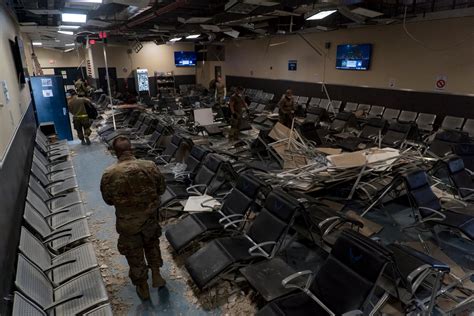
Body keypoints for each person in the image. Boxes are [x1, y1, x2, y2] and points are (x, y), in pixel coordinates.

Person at [100, 137, 166, 300]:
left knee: (134, 255)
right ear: (132, 149)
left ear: (116, 153)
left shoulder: (109, 174)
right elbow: (161, 189)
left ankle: (142, 287)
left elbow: (108, 200)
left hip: (128, 224)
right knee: (152, 245)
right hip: (150, 218)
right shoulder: (150, 166)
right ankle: (157, 275)